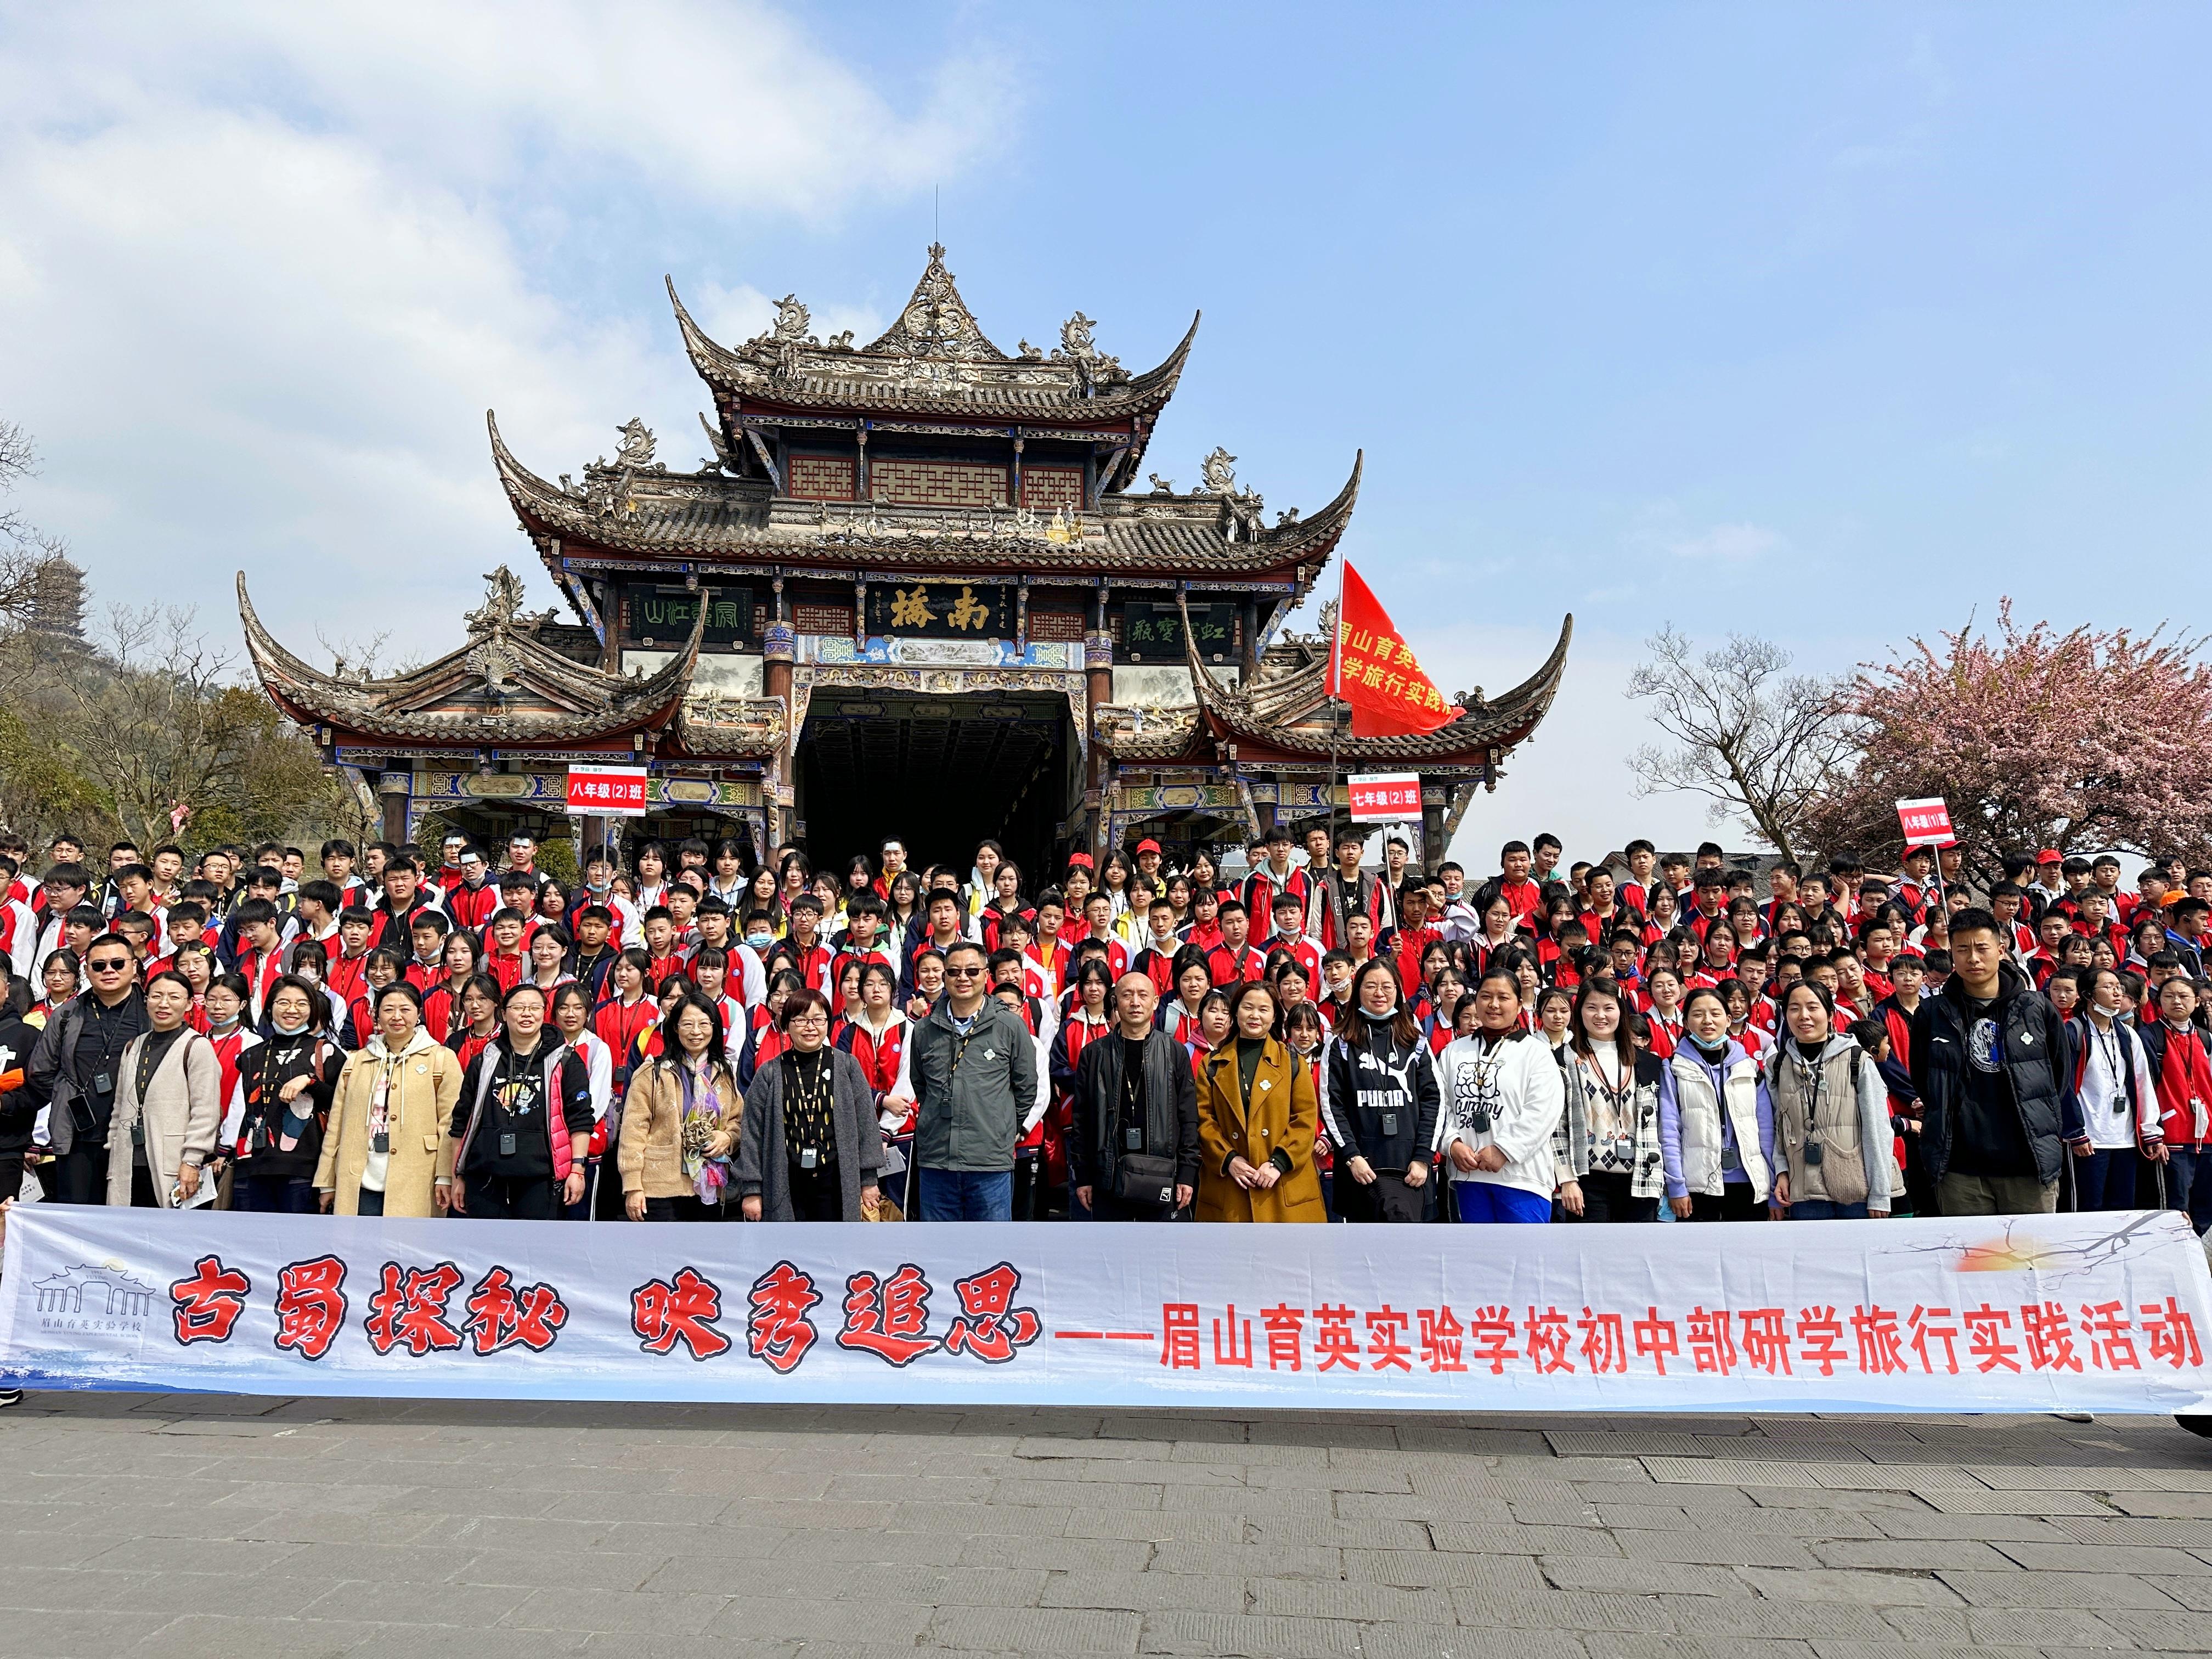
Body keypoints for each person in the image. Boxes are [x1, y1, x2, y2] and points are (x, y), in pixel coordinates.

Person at [1909, 907, 2070, 1216]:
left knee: (2030, 1258)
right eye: (1963, 950)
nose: (1973, 959)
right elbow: (1925, 1080)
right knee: (1970, 1261)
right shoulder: (1932, 1014)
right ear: (1951, 954)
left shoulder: (2036, 1009)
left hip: (2027, 1163)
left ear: (2000, 949)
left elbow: (2057, 1077)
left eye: (1982, 948)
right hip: (1960, 1170)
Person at [906, 940, 1036, 1221]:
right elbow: (921, 1086)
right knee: (940, 1254)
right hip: (936, 1161)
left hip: (989, 1162)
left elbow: (1026, 1088)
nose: (963, 978)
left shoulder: (1010, 1026)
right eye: (953, 972)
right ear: (944, 977)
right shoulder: (925, 1029)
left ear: (987, 975)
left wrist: (1000, 1127)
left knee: (992, 1252)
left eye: (972, 971)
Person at [737, 988, 885, 1221]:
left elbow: (867, 1124)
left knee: (836, 1251)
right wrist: (752, 1189)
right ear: (787, 1025)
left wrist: (868, 1180)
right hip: (786, 1181)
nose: (810, 1027)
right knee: (789, 1252)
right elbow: (752, 1133)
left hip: (836, 1178)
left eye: (818, 1019)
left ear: (827, 1022)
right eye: (801, 1020)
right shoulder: (770, 1072)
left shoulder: (846, 1066)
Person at [318, 981, 462, 1216]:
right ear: (376, 1015)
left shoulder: (441, 1059)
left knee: (410, 1249)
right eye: (388, 1009)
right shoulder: (356, 1061)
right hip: (359, 1178)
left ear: (419, 1014)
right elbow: (337, 1122)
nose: (397, 1017)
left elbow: (450, 1123)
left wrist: (446, 1175)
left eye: (405, 1009)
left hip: (418, 1176)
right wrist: (327, 1179)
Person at [1433, 966, 1565, 1223]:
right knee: (1479, 1260)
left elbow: (1543, 1111)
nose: (1493, 1005)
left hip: (1522, 1178)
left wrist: (1504, 1150)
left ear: (1519, 1004)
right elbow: (1440, 1105)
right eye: (1486, 996)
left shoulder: (1536, 1052)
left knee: (1525, 1259)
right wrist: (1452, 1144)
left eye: (1503, 998)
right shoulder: (1453, 1052)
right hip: (1468, 1175)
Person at [24, 930, 147, 1204]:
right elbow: (40, 1071)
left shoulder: (152, 1013)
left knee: (131, 1218)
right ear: (87, 970)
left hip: (136, 1137)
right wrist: (66, 1094)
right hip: (77, 1133)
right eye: (99, 966)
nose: (109, 971)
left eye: (118, 964)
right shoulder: (67, 1014)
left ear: (134, 966)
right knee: (77, 1217)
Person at [1190, 978, 1324, 1222]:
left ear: (1274, 1017)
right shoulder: (1211, 1064)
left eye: (1264, 1010)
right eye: (1247, 1007)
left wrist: (1278, 1163)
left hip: (1283, 1187)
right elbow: (1203, 1121)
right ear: (1236, 1012)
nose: (1255, 1016)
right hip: (1231, 1188)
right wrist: (1228, 1159)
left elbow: (1305, 1119)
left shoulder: (1292, 1062)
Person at [1071, 970, 1199, 1220]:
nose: (1135, 1002)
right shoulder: (1094, 1054)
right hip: (1108, 1175)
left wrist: (1186, 1173)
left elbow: (1189, 1118)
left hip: (1162, 1174)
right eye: (1127, 995)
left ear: (1156, 1001)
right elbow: (1082, 1121)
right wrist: (1083, 1176)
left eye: (1143, 995)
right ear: (1115, 1002)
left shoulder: (1174, 1052)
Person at [1318, 958, 1439, 1222]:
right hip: (1360, 1170)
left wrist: (1423, 1157)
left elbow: (1435, 1100)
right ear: (1358, 988)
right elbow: (1331, 1105)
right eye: (1371, 986)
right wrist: (1351, 1156)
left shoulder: (1415, 1041)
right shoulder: (1340, 1043)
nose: (1379, 993)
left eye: (1387, 986)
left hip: (1410, 1169)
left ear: (1398, 991)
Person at [1765, 981, 1895, 1220]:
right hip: (1803, 1189)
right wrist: (1781, 1171)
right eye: (1794, 1009)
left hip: (1856, 1189)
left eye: (1813, 1007)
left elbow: (1878, 1130)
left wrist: (1880, 1193)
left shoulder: (1857, 1059)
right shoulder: (1777, 1064)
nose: (1804, 1016)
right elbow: (1777, 1129)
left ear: (1831, 1014)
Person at [619, 990, 743, 1220]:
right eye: (687, 1024)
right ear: (675, 1028)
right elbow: (633, 1132)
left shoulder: (725, 1074)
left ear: (715, 1027)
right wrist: (633, 1186)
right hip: (660, 1188)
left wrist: (727, 1138)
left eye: (704, 1024)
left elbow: (737, 1120)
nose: (696, 1032)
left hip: (709, 1186)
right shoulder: (652, 1073)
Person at [105, 971, 221, 1207]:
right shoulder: (133, 1046)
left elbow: (206, 1111)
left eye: (174, 997)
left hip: (172, 1162)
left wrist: (192, 1161)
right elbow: (119, 1107)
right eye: (156, 996)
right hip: (127, 1162)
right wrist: (113, 1146)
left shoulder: (196, 1047)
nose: (164, 1003)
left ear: (189, 1003)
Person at [1659, 985, 1775, 1221]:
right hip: (1698, 1184)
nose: (1707, 1021)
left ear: (1729, 1019)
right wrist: (1676, 1185)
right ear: (1686, 1020)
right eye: (1698, 1014)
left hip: (1748, 1183)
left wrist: (1771, 1187)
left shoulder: (1750, 1068)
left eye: (1715, 1013)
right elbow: (1669, 1130)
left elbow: (1766, 1131)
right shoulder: (1673, 1068)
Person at [228, 975, 341, 1213]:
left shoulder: (328, 1052)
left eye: (302, 1003)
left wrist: (310, 1082)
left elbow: (341, 1104)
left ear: (313, 1009)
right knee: (251, 1244)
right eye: (283, 1002)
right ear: (270, 1007)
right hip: (251, 1166)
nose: (292, 1010)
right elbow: (241, 1109)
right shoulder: (251, 1055)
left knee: (300, 1246)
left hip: (302, 1168)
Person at [1557, 980, 1666, 1223]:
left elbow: (1664, 1127)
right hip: (1587, 1181)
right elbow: (1557, 1126)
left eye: (1608, 1008)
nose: (1600, 1015)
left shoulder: (1649, 1063)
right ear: (1579, 1012)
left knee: (1637, 1257)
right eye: (1591, 1008)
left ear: (1621, 1011)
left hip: (1641, 1180)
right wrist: (1567, 1179)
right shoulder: (1563, 1059)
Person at [2062, 966, 2159, 1212]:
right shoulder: (2073, 1032)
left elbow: (2142, 1081)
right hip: (2089, 1138)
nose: (2117, 993)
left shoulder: (2127, 1034)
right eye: (2108, 987)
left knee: (2123, 1210)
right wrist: (2074, 1131)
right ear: (2087, 995)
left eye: (2119, 987)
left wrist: (2150, 1130)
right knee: (2088, 1209)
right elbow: (2061, 1087)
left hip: (2125, 1139)